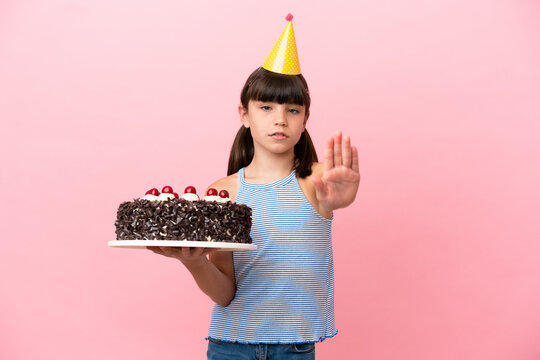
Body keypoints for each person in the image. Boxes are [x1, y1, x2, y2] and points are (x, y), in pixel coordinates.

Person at [148, 14, 360, 360]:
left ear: (305, 119)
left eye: (293, 110)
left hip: (294, 348)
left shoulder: (317, 180)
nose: (280, 119)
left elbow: (332, 196)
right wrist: (194, 262)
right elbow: (225, 294)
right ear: (244, 115)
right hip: (229, 347)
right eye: (266, 107)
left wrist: (339, 201)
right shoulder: (224, 193)